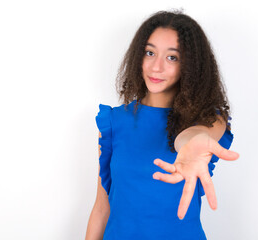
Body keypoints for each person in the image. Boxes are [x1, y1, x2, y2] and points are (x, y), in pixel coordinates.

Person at [85, 10, 240, 240]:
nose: (156, 67)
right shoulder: (113, 121)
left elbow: (195, 137)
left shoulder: (209, 121)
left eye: (172, 57)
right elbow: (101, 207)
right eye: (150, 53)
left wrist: (194, 142)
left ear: (191, 67)